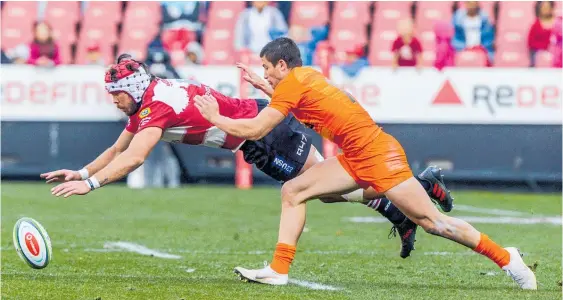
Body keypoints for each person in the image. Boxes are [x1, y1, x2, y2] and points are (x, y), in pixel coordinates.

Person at [193, 37, 536, 289]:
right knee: (294, 190)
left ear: (282, 65)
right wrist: (269, 90)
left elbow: (256, 128)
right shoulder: (303, 79)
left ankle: (507, 259)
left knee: (434, 223)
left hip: (375, 154)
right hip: (356, 154)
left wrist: (215, 117)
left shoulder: (293, 84)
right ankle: (279, 270)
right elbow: (312, 108)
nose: (264, 74)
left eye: (266, 69)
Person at [42, 55, 454, 259]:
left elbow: (133, 159)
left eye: (116, 93)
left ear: (133, 88)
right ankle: (404, 204)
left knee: (318, 188)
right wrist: (80, 170)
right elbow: (118, 148)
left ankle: (417, 187)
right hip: (255, 138)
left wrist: (91, 185)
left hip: (265, 130)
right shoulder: (150, 99)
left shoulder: (156, 107)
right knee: (324, 190)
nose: (113, 102)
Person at [528, 1, 556, 67]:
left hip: (556, 52)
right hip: (539, 53)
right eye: (543, 7)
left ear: (552, 8)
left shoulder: (558, 23)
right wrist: (545, 48)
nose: (545, 9)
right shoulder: (536, 25)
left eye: (547, 7)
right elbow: (531, 42)